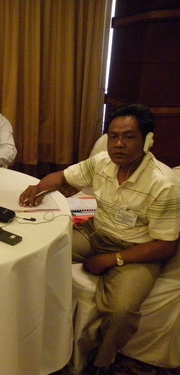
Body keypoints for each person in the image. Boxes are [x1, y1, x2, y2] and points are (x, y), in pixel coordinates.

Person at [19, 103, 180, 373]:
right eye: (113, 136)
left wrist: (111, 260)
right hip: (96, 232)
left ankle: (102, 362)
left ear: (147, 140)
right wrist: (38, 187)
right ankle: (30, 324)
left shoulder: (163, 184)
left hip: (140, 250)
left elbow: (165, 246)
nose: (118, 144)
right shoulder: (102, 162)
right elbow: (61, 176)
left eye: (128, 137)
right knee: (37, 250)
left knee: (121, 311)